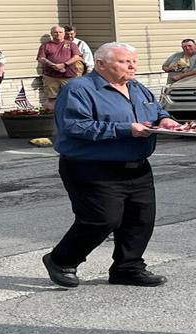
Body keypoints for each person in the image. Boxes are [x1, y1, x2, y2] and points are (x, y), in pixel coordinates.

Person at [41, 42, 180, 290]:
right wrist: (126, 129)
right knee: (102, 219)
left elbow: (156, 111)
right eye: (124, 61)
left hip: (136, 165)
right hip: (91, 166)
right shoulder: (78, 89)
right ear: (102, 64)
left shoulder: (137, 87)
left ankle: (128, 268)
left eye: (134, 61)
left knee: (140, 219)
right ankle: (61, 260)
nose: (132, 66)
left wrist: (166, 120)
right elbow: (75, 126)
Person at [36, 25, 83, 113]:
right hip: (51, 77)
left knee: (72, 98)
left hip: (69, 76)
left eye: (60, 32)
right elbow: (41, 58)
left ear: (64, 33)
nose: (58, 34)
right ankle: (53, 118)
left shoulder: (71, 44)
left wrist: (64, 64)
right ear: (51, 34)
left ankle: (72, 116)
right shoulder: (45, 46)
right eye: (55, 32)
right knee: (51, 99)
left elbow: (77, 57)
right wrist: (53, 65)